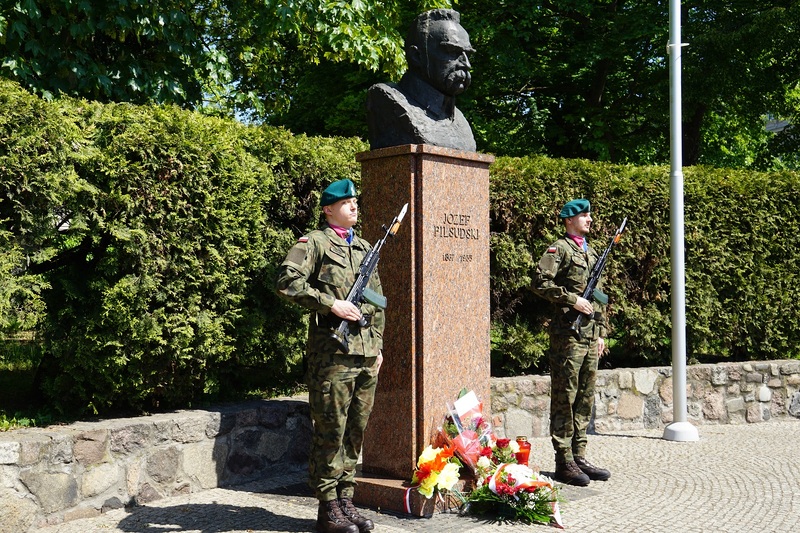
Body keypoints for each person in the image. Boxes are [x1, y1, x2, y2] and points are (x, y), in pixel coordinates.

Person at [275, 179, 384, 533]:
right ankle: (327, 509)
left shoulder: (365, 246)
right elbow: (287, 282)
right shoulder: (315, 243)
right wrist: (330, 303)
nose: (354, 206)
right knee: (330, 432)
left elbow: (377, 302)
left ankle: (346, 500)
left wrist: (378, 346)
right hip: (333, 356)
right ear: (328, 209)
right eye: (346, 202)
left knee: (355, 431)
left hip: (365, 356)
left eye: (355, 201)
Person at [530, 198, 612, 487]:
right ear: (568, 220)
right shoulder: (559, 249)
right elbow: (540, 282)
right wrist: (571, 299)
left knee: (584, 398)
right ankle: (563, 461)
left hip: (589, 336)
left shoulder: (590, 254)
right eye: (583, 215)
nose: (589, 219)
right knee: (566, 396)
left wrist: (600, 332)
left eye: (589, 215)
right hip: (568, 335)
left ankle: (579, 456)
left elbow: (599, 297)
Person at [366, 9, 476, 151]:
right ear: (416, 56)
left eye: (467, 54)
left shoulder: (460, 122)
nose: (466, 64)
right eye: (452, 52)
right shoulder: (385, 99)